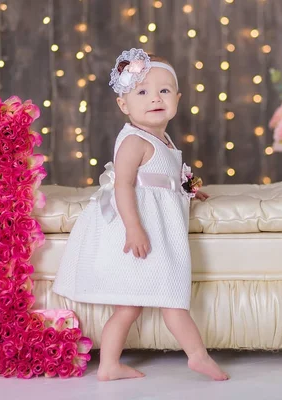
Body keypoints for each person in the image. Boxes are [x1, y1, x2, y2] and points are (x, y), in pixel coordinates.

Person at [52, 48, 228, 382]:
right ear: (124, 105)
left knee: (135, 306)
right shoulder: (133, 141)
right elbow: (123, 186)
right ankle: (196, 356)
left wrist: (193, 187)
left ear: (177, 98)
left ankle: (109, 366)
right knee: (162, 302)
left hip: (159, 230)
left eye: (164, 90)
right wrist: (133, 228)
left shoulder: (162, 138)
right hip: (140, 232)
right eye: (142, 92)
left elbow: (174, 172)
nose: (154, 98)